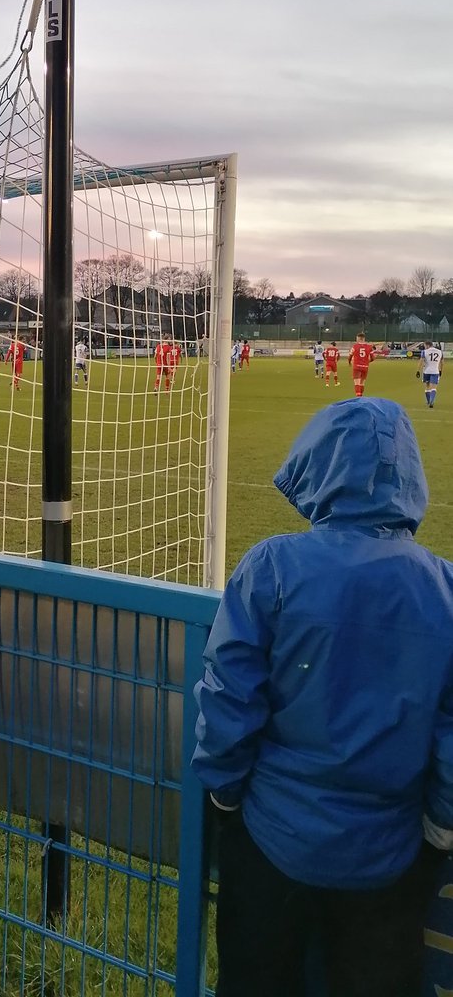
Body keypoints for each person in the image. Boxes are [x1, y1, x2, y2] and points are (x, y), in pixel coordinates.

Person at [193, 398, 453, 997]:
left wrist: (227, 795)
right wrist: (439, 828)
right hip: (388, 859)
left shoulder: (272, 567)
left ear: (319, 464)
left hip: (272, 841)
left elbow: (228, 695)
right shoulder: (442, 589)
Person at [348, 331, 377, 397]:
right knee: (362, 383)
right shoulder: (369, 347)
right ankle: (361, 396)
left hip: (356, 366)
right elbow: (373, 358)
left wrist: (349, 362)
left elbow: (350, 356)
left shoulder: (355, 346)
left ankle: (358, 398)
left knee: (357, 383)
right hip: (365, 367)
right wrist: (368, 362)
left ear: (359, 338)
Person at [420, 341, 444, 409]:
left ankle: (428, 401)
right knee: (434, 387)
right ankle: (431, 401)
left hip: (426, 371)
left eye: (424, 345)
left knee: (427, 386)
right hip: (435, 371)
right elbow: (442, 363)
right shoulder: (440, 352)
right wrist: (440, 370)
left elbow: (421, 361)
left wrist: (418, 370)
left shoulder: (424, 351)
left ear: (427, 345)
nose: (424, 347)